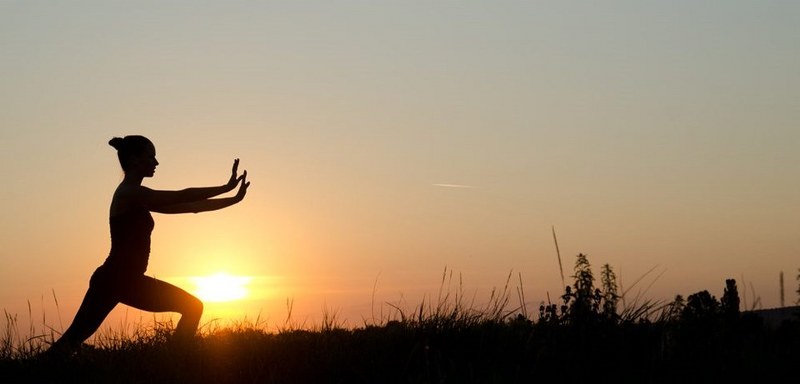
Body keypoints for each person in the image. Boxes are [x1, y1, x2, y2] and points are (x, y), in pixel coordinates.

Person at [48, 135, 250, 355]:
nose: (156, 163)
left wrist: (233, 199)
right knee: (193, 307)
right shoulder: (129, 193)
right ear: (135, 160)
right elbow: (182, 195)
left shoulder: (140, 199)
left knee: (70, 341)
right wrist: (224, 187)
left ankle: (173, 362)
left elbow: (191, 205)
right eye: (151, 157)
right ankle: (174, 362)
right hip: (116, 278)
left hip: (122, 280)